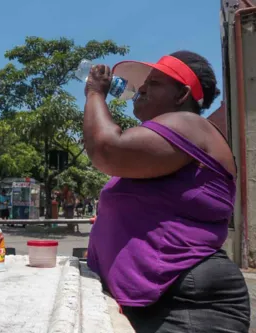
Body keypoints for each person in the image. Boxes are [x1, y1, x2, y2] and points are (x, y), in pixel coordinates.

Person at [83, 51, 250, 332]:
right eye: (145, 83)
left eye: (156, 83)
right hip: (162, 297)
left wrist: (95, 93)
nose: (143, 88)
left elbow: (106, 149)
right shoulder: (164, 142)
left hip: (188, 303)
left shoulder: (190, 124)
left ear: (182, 94)